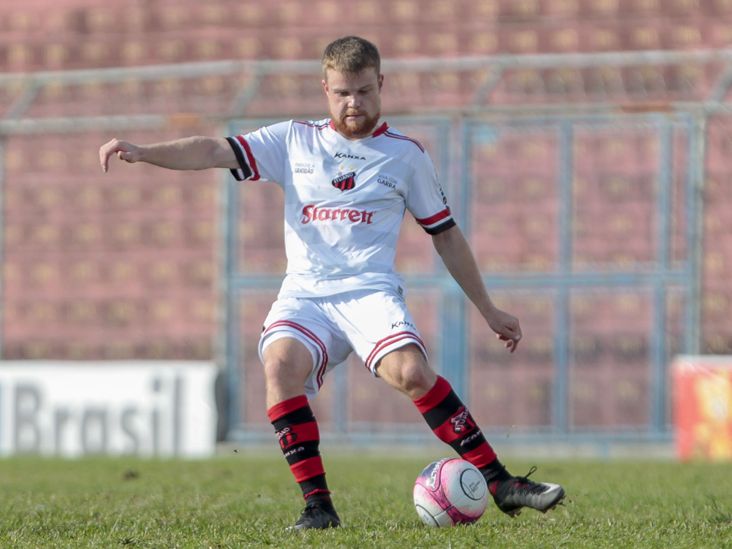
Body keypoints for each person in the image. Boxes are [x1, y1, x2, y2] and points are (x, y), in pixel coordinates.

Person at [99, 35, 565, 530]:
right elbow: (214, 150)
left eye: (364, 91)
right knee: (280, 366)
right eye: (343, 93)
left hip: (370, 293)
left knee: (412, 373)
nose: (353, 103)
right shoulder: (293, 140)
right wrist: (144, 152)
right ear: (326, 89)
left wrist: (488, 308)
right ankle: (318, 507)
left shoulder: (406, 155)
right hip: (305, 295)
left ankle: (502, 484)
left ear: (380, 84)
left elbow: (445, 235)